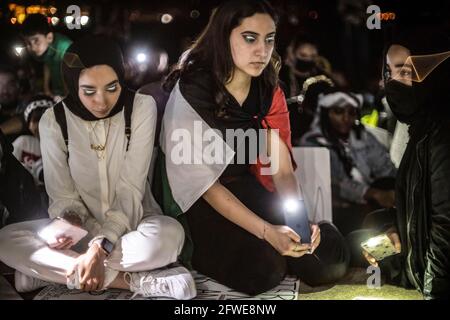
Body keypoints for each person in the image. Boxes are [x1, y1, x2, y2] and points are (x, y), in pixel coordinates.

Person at [154, 0, 349, 295]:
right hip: (201, 199)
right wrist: (268, 232)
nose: (262, 50)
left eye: (269, 39)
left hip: (247, 186)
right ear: (224, 37)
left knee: (325, 261)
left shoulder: (267, 90)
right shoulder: (194, 91)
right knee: (261, 271)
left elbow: (282, 171)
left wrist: (299, 223)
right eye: (249, 38)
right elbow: (204, 186)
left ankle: (310, 237)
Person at [0, 36, 196, 299]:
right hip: (80, 232)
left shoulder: (140, 107)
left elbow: (130, 189)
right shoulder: (54, 121)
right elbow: (62, 196)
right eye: (89, 91)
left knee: (170, 235)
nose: (102, 102)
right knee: (6, 239)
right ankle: (132, 282)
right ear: (72, 84)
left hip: (134, 224)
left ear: (121, 77)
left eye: (112, 88)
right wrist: (69, 220)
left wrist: (101, 246)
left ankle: (50, 270)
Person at [353, 32, 450, 299]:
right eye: (390, 72)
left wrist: (433, 290)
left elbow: (445, 222)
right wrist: (393, 230)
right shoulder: (418, 129)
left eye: (407, 71)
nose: (395, 81)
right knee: (366, 231)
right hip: (420, 256)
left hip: (436, 274)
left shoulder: (441, 132)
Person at [301, 89, 397, 235]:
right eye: (339, 111)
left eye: (351, 112)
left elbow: (385, 166)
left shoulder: (362, 135)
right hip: (339, 211)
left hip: (372, 201)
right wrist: (372, 193)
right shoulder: (312, 142)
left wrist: (391, 192)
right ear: (326, 113)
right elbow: (334, 184)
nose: (346, 118)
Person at [21, 14, 72, 98]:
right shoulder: (42, 49)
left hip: (70, 92)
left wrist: (67, 98)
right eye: (28, 42)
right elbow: (47, 64)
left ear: (49, 37)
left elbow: (69, 74)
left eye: (36, 41)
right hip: (57, 92)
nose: (33, 47)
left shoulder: (65, 47)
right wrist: (46, 89)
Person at [12, 95, 54, 186]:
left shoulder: (65, 146)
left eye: (45, 118)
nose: (41, 124)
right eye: (36, 120)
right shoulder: (23, 143)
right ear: (28, 125)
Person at [0, 65, 26, 139]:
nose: (5, 90)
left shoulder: (28, 107)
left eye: (10, 85)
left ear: (19, 87)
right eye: (0, 84)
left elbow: (30, 119)